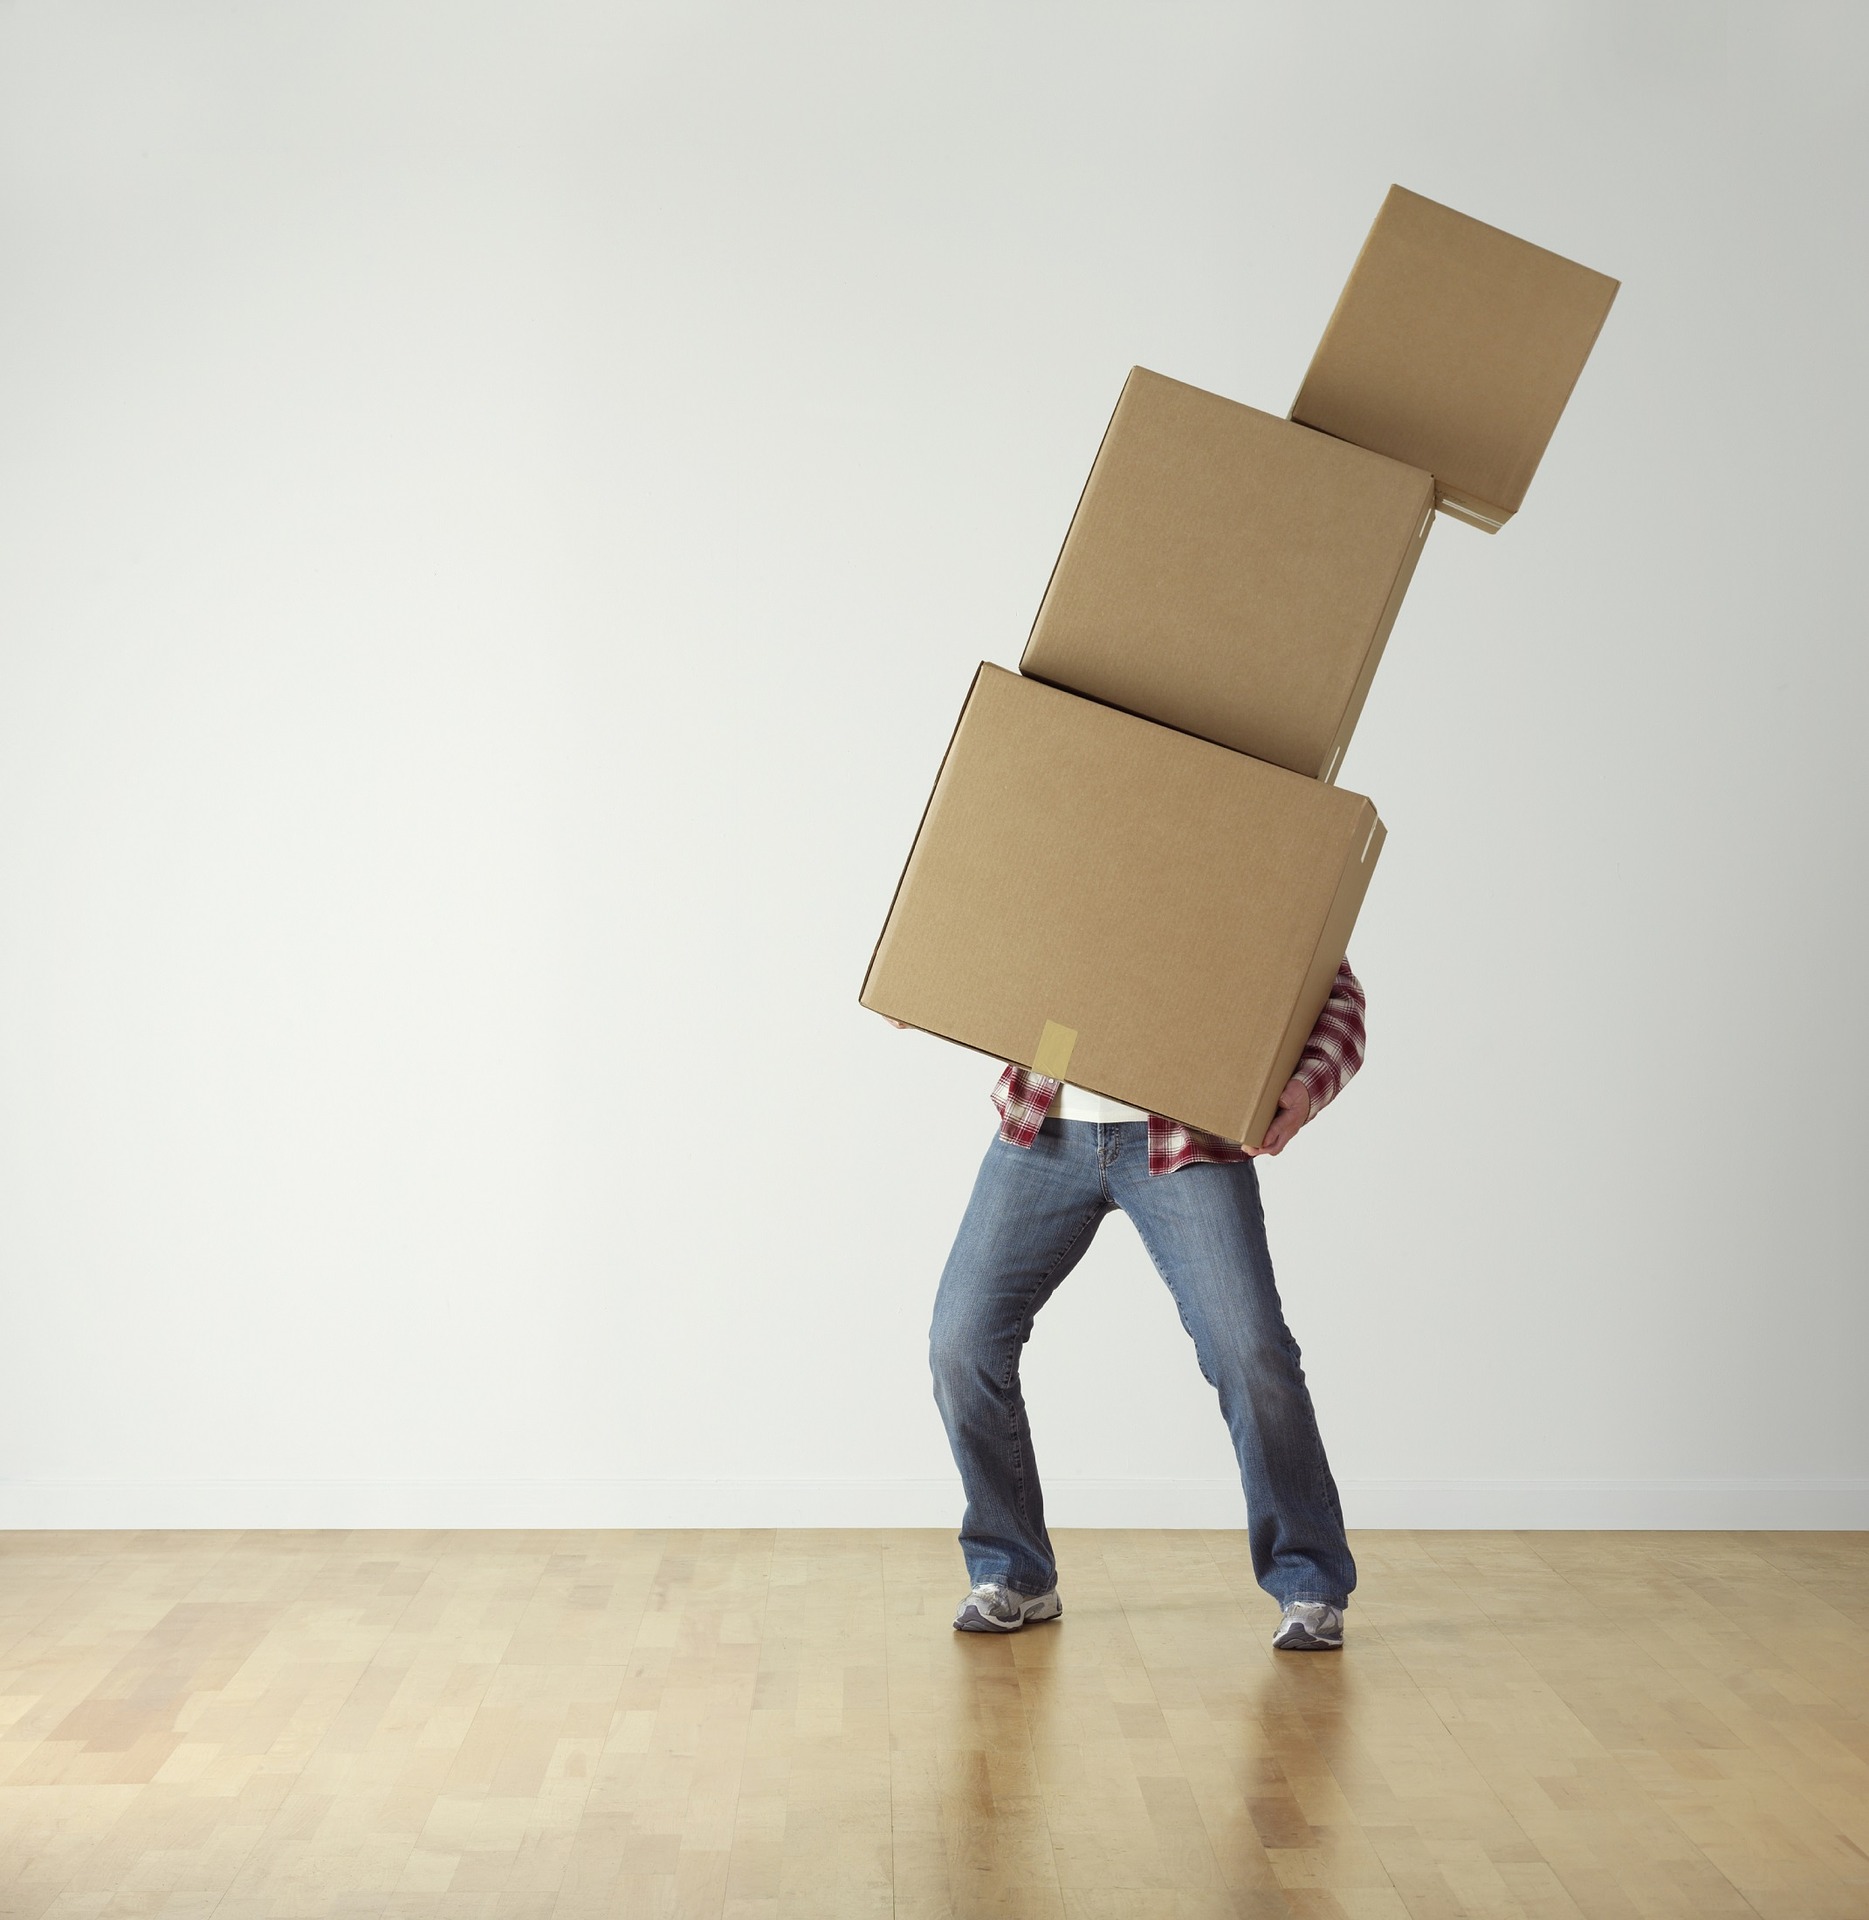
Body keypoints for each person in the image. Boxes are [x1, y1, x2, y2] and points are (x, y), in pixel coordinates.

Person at [895, 961, 1366, 1652]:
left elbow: (1335, 991)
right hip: (1044, 1126)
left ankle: (1310, 1581)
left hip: (1186, 1132)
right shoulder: (1052, 851)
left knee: (1250, 1352)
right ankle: (1013, 1572)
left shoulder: (1247, 856)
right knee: (959, 1345)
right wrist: (933, 979)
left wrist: (1303, 1088)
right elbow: (982, 931)